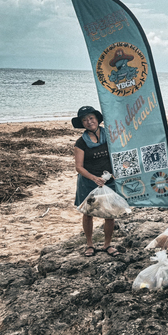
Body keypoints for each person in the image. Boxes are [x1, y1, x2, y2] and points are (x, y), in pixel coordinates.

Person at [72, 106, 120, 257]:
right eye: (85, 120)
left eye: (91, 118)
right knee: (88, 213)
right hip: (89, 181)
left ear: (97, 119)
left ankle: (107, 244)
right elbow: (78, 167)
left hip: (109, 180)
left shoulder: (111, 135)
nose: (89, 122)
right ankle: (89, 244)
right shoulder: (80, 143)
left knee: (110, 213)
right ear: (82, 123)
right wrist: (94, 178)